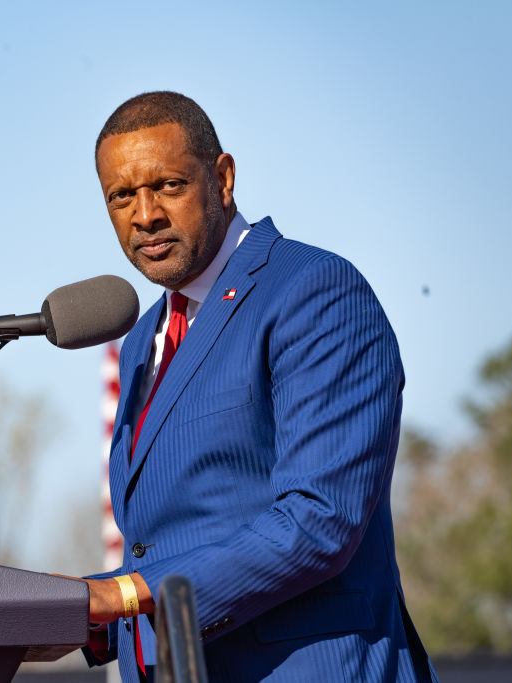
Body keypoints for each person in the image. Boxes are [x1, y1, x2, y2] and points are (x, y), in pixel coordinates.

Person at [77, 91, 438, 682]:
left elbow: (318, 519)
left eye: (167, 185)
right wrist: (67, 618)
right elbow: (169, 543)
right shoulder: (144, 339)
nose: (144, 215)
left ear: (222, 177)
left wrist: (120, 596)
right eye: (121, 196)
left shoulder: (314, 291)